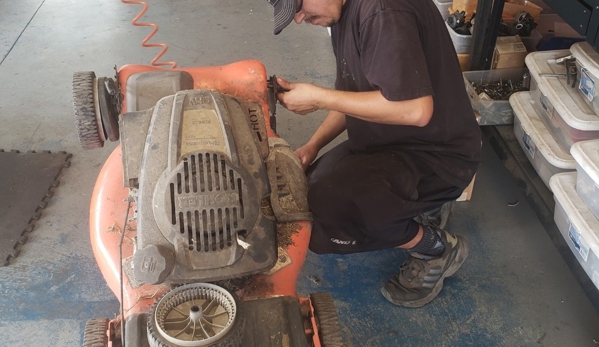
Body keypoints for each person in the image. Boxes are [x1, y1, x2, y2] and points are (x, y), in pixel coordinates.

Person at [266, 0, 481, 308]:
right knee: (307, 196)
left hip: (438, 154)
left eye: (299, 6)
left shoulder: (384, 13)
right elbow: (354, 96)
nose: (300, 19)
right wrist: (312, 146)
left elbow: (416, 110)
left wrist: (320, 97)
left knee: (327, 220)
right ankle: (418, 207)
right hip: (391, 142)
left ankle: (436, 249)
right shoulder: (344, 12)